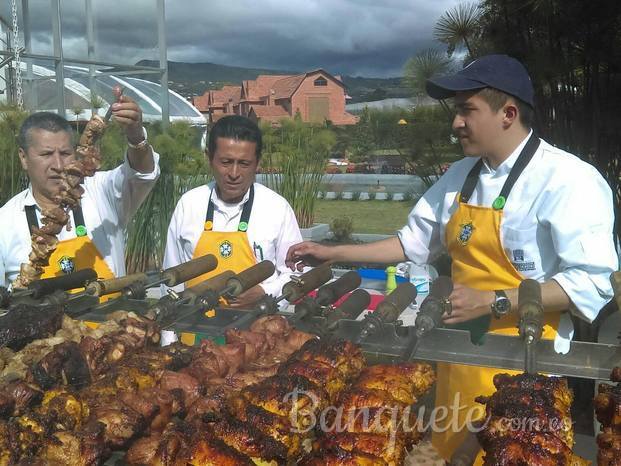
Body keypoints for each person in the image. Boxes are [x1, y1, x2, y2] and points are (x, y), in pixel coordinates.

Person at [286, 54, 618, 461]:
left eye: (467, 110)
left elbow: (592, 281)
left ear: (508, 113)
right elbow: (411, 244)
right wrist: (333, 251)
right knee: (455, 453)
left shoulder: (569, 180)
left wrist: (496, 300)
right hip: (459, 354)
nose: (456, 122)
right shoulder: (460, 175)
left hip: (528, 365)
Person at [0, 96, 160, 288]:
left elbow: (142, 172)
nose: (58, 165)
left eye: (66, 153)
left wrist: (136, 137)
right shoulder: (5, 222)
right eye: (46, 154)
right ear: (24, 158)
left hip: (113, 316)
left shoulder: (101, 190)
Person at [163, 115, 303, 309]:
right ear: (209, 158)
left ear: (257, 163)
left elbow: (295, 274)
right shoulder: (189, 204)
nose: (234, 174)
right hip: (190, 333)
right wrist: (168, 335)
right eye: (226, 162)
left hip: (256, 334)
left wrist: (265, 292)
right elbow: (171, 277)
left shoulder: (277, 209)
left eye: (244, 164)